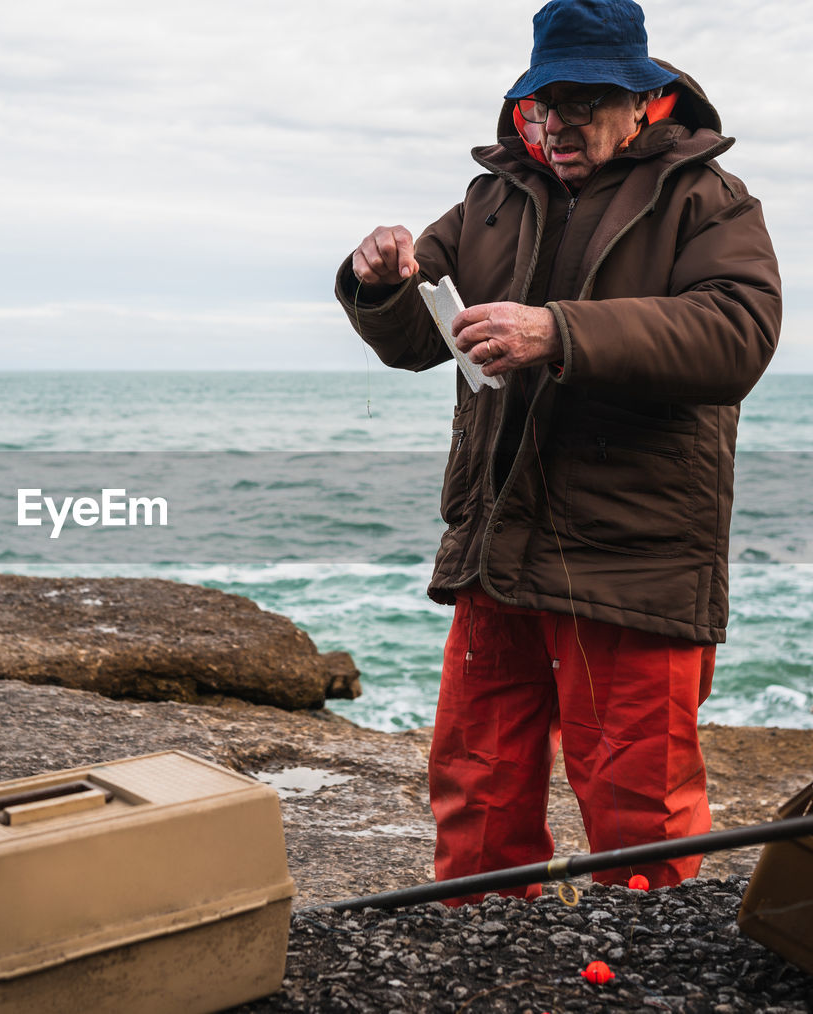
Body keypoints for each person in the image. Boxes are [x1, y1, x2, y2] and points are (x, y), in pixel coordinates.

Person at [335, 0, 781, 902]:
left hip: (632, 557)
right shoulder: (491, 198)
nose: (555, 125)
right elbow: (417, 336)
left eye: (582, 103)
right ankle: (483, 952)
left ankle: (644, 978)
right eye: (541, 104)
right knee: (476, 786)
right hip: (497, 544)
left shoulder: (708, 199)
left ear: (645, 99)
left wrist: (559, 332)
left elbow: (739, 335)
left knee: (639, 813)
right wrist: (377, 280)